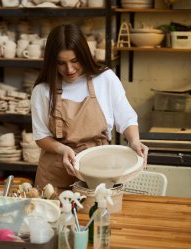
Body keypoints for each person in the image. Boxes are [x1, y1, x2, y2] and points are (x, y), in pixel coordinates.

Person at [30, 24, 148, 189]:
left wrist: (134, 141)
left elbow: (126, 118)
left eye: (74, 61)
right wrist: (63, 150)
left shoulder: (105, 79)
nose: (69, 69)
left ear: (84, 55)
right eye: (61, 63)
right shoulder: (43, 89)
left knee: (97, 214)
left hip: (99, 169)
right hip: (56, 172)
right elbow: (41, 136)